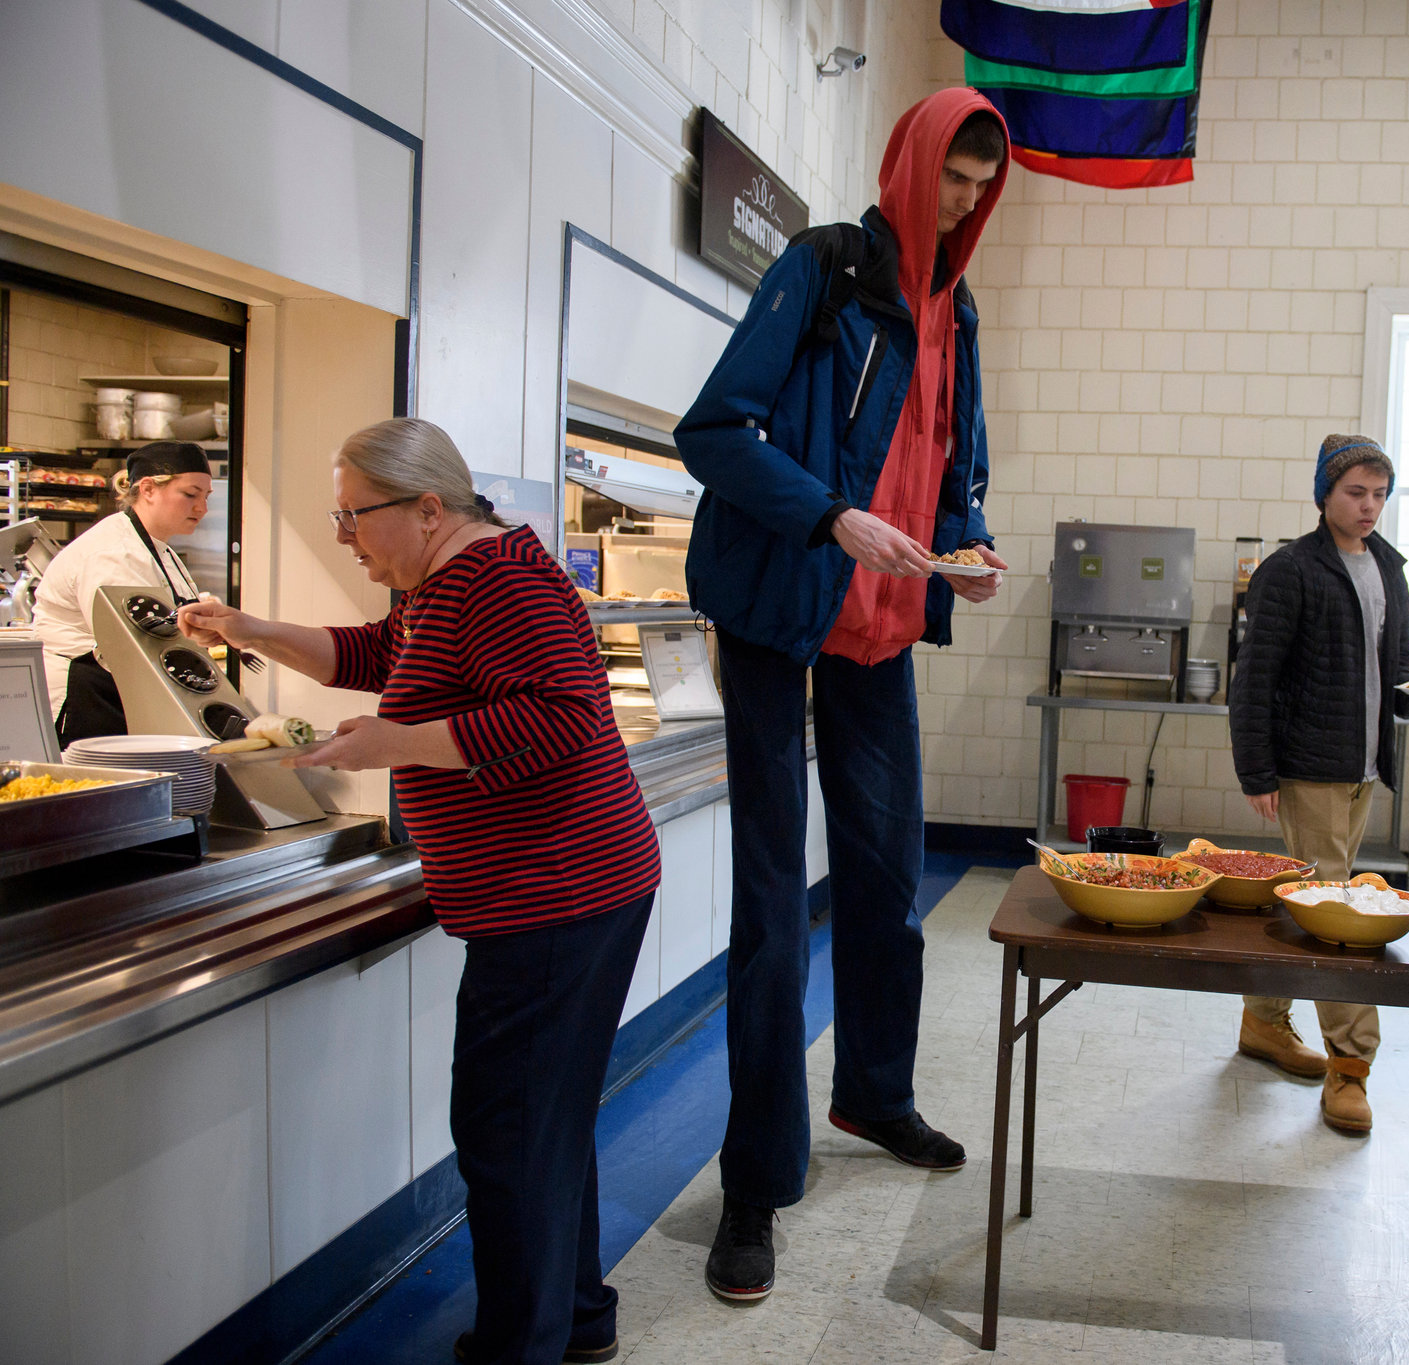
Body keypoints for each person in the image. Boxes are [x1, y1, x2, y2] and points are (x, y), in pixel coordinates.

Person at [179, 418, 660, 1365]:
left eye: (356, 517)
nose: (346, 536)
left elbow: (562, 717)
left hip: (556, 893)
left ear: (428, 507)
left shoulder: (504, 581)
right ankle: (576, 1319)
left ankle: (523, 1342)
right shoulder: (440, 586)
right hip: (565, 888)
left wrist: (392, 743)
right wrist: (251, 630)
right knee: (542, 1117)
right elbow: (374, 655)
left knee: (508, 1126)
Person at [670, 88, 1009, 1302]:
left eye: (981, 185)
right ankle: (755, 1180)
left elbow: (955, 475)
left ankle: (873, 1096)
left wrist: (966, 550)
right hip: (775, 614)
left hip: (880, 635)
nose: (964, 201)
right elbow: (712, 428)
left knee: (885, 889)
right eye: (951, 177)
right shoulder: (823, 269)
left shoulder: (955, 315)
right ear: (912, 164)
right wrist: (828, 514)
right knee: (771, 910)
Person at [1228, 436, 1409, 1133]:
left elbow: (1389, 668)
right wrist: (1256, 766)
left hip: (1363, 765)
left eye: (1379, 493)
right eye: (1355, 492)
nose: (1369, 506)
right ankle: (1351, 1066)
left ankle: (1263, 1021)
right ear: (1325, 495)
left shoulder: (1388, 569)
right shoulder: (1289, 571)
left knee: (1306, 899)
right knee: (1341, 919)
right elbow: (1254, 676)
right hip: (1311, 764)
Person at [32, 440, 210, 744]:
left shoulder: (160, 549)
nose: (202, 508)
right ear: (148, 489)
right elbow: (126, 646)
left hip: (116, 691)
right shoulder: (112, 552)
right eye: (190, 494)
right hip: (86, 696)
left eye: (206, 497)